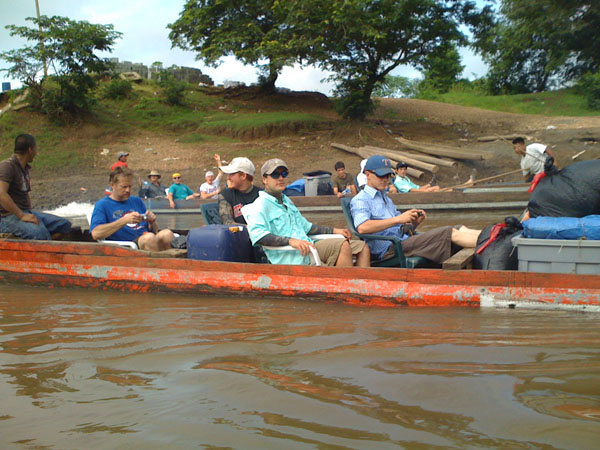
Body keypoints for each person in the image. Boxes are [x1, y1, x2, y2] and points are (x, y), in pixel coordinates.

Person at [350, 155, 480, 265]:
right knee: (448, 232)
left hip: (404, 241)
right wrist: (398, 219)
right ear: (368, 174)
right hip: (391, 249)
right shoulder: (361, 200)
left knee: (457, 228)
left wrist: (414, 222)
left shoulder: (385, 198)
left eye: (388, 176)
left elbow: (400, 226)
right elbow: (362, 227)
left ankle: (491, 235)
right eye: (381, 176)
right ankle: (493, 243)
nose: (385, 180)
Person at [243, 158, 370, 267]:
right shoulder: (259, 205)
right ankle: (343, 290)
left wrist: (334, 231)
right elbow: (259, 236)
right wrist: (290, 241)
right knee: (342, 246)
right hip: (292, 256)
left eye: (284, 174)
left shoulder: (286, 200)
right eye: (275, 175)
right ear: (264, 179)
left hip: (309, 246)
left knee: (361, 247)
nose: (281, 178)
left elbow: (307, 227)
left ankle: (363, 290)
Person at [0, 134, 72, 240]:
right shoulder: (7, 166)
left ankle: (46, 244)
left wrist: (28, 214)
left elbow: (25, 194)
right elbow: (1, 194)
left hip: (25, 212)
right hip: (7, 217)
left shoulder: (24, 168)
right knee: (39, 233)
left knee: (64, 225)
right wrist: (22, 215)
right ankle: (46, 249)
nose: (36, 153)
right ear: (30, 150)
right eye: (35, 149)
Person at [90, 167, 174, 251]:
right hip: (126, 245)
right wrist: (124, 221)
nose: (128, 190)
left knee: (167, 233)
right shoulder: (102, 205)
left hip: (146, 237)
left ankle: (173, 262)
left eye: (130, 186)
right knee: (149, 238)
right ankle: (159, 263)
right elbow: (96, 234)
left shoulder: (136, 200)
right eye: (124, 187)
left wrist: (151, 222)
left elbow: (154, 230)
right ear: (112, 185)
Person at [218, 156, 261, 224]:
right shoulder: (225, 195)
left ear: (243, 176)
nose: (228, 178)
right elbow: (228, 223)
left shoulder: (262, 195)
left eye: (231, 174)